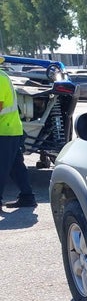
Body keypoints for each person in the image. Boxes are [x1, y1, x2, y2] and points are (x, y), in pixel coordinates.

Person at [0, 56, 36, 209]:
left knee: (2, 167)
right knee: (16, 166)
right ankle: (27, 197)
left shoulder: (0, 79)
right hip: (10, 129)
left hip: (5, 131)